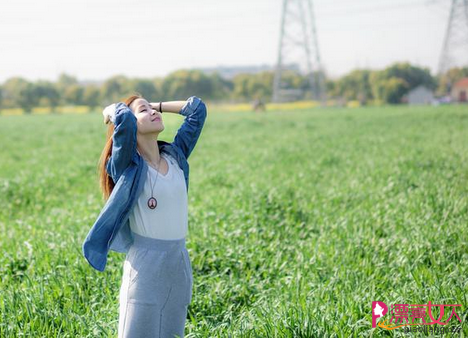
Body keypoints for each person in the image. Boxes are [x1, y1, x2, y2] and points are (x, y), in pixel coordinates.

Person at [81, 94, 207, 338]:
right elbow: (125, 121)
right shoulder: (127, 167)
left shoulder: (176, 156)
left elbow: (197, 110)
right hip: (145, 266)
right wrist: (110, 110)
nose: (153, 112)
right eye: (143, 110)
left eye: (153, 109)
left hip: (178, 262)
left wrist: (155, 106)